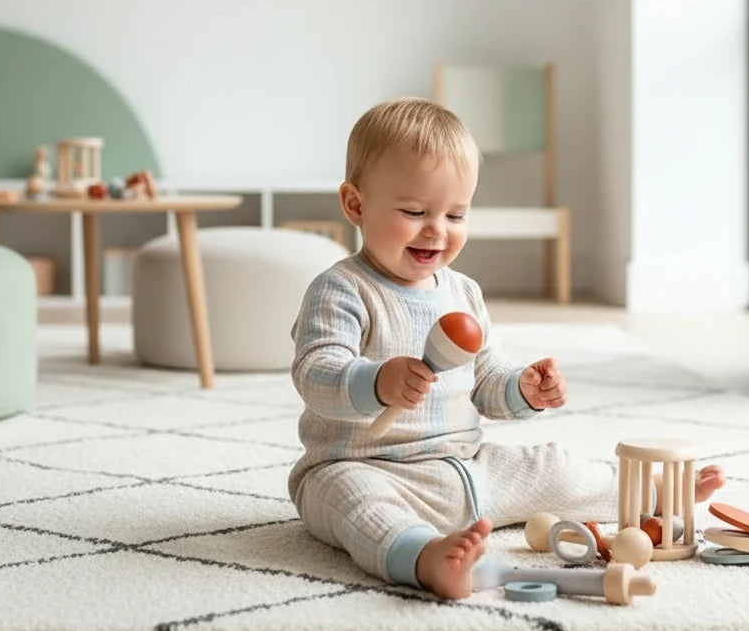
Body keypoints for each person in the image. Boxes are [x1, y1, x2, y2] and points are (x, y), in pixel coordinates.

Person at [288, 97, 725, 600]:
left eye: (456, 214)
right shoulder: (341, 289)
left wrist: (522, 389)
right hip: (363, 466)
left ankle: (653, 496)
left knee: (551, 467)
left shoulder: (464, 293)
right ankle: (426, 558)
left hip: (466, 469)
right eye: (414, 212)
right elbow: (316, 373)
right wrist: (376, 381)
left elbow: (485, 382)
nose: (437, 229)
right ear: (355, 204)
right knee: (354, 506)